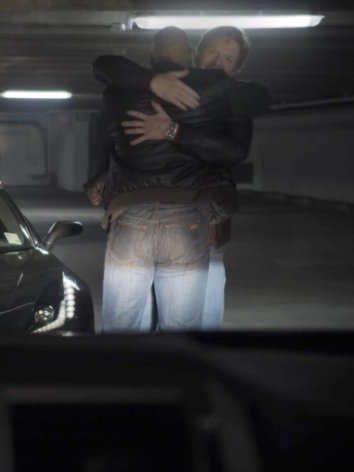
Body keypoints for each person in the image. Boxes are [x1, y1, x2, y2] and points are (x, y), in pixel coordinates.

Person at [88, 26, 268, 331]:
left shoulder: (231, 100)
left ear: (237, 68)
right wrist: (154, 81)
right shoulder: (159, 86)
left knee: (192, 321)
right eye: (212, 51)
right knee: (173, 323)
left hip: (205, 219)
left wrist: (173, 132)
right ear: (196, 53)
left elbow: (235, 150)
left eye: (228, 58)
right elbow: (106, 70)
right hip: (180, 215)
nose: (217, 61)